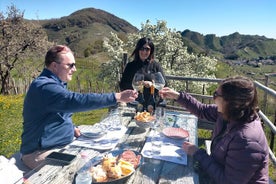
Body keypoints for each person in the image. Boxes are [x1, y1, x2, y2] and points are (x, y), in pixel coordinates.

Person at [20, 45, 138, 169]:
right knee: (85, 171)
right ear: (54, 66)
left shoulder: (56, 83)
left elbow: (57, 113)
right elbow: (75, 101)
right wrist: (117, 97)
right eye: (70, 65)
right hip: (40, 152)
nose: (75, 69)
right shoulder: (45, 87)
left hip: (61, 146)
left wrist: (71, 128)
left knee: (106, 161)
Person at [159, 76, 269, 183]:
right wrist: (177, 96)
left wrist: (198, 153)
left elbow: (227, 181)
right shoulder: (230, 113)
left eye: (216, 94)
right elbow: (201, 110)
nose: (213, 98)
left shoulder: (247, 142)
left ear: (230, 102)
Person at [119, 37, 166, 112]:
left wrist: (152, 84)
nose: (144, 51)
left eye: (147, 49)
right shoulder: (130, 66)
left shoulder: (156, 66)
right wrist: (137, 84)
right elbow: (123, 85)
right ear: (138, 49)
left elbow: (164, 84)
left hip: (153, 105)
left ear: (151, 51)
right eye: (141, 48)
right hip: (134, 104)